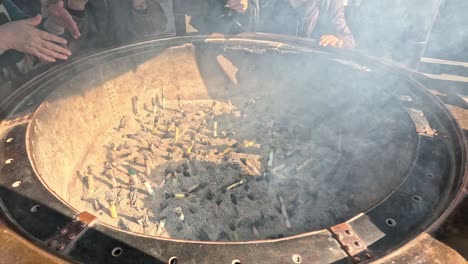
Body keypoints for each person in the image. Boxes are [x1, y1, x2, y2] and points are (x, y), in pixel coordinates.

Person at [183, 0, 355, 48]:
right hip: (267, 67)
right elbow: (255, 23)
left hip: (307, 74)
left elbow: (349, 40)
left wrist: (337, 39)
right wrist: (245, 9)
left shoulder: (330, 3)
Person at [41, 0, 168, 51]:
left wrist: (139, 4)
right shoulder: (56, 4)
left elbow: (158, 30)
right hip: (87, 77)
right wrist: (76, 9)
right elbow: (61, 52)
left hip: (135, 63)